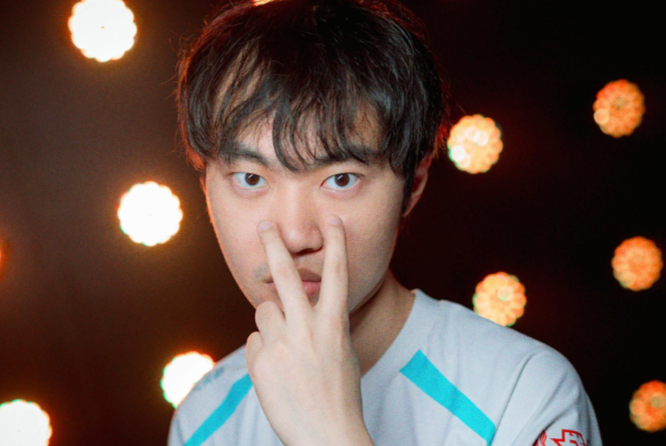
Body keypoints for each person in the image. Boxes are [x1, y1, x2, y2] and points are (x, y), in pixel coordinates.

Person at [168, 0, 602, 444]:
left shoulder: (523, 392)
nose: (296, 235)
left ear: (413, 185)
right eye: (251, 178)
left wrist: (329, 432)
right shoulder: (203, 418)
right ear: (205, 187)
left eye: (341, 179)